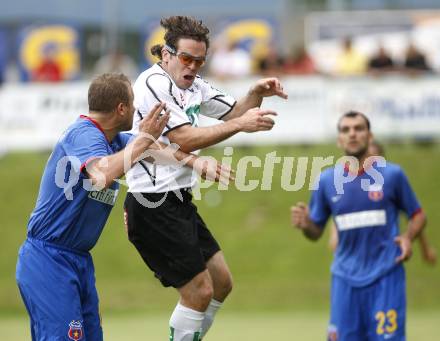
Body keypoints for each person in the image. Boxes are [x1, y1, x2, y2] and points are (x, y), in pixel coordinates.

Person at [15, 73, 227, 340]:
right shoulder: (83, 134)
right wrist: (142, 139)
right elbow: (102, 176)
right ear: (121, 108)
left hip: (78, 259)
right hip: (48, 260)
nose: (138, 108)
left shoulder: (114, 140)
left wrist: (196, 163)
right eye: (133, 102)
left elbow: (154, 148)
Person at [124, 16, 287, 341]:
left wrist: (255, 92)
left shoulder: (194, 86)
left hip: (179, 199)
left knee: (221, 283)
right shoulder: (153, 83)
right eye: (187, 58)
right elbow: (186, 137)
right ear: (166, 54)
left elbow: (236, 112)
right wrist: (240, 126)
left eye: (200, 60)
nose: (194, 66)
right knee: (199, 292)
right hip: (151, 202)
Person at [291, 111, 427, 341]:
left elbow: (418, 215)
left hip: (386, 275)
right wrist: (306, 225)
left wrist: (408, 237)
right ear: (339, 139)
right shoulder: (326, 181)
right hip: (345, 280)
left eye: (358, 128)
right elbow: (316, 233)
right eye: (345, 129)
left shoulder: (393, 175)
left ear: (369, 135)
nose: (352, 133)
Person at [328, 140, 436, 265]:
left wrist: (424, 248)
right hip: (354, 263)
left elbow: (414, 216)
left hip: (385, 261)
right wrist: (335, 234)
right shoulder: (349, 187)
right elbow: (341, 215)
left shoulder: (388, 186)